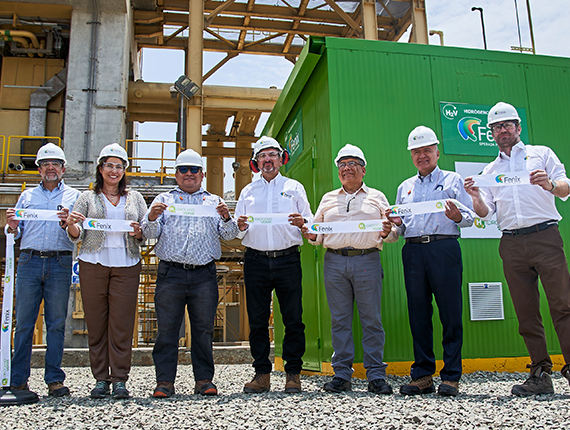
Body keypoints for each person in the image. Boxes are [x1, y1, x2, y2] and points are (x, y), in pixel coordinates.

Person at [464, 102, 570, 396]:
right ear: (492, 134)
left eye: (507, 124)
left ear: (518, 127)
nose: (502, 130)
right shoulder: (490, 170)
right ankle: (539, 373)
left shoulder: (542, 154)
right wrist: (474, 195)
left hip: (545, 236)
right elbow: (485, 213)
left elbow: (566, 186)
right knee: (526, 312)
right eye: (497, 127)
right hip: (511, 242)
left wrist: (550, 185)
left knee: (563, 304)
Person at [296, 144, 396, 395]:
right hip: (335, 262)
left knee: (371, 319)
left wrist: (388, 232)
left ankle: (375, 375)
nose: (347, 168)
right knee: (339, 320)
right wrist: (307, 231)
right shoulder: (328, 199)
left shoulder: (377, 197)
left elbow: (393, 232)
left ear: (363, 170)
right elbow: (315, 234)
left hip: (367, 260)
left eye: (352, 164)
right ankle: (341, 374)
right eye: (342, 165)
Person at [142, 149, 239, 398]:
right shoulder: (163, 200)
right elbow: (150, 234)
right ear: (175, 173)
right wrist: (151, 217)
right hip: (170, 273)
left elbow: (229, 235)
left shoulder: (214, 201)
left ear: (202, 174)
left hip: (203, 275)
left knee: (204, 329)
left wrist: (227, 218)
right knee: (166, 330)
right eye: (183, 169)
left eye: (194, 169)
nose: (189, 174)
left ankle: (204, 380)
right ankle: (164, 382)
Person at [389, 126, 474, 397]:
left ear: (437, 152)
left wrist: (457, 217)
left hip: (444, 247)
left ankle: (450, 376)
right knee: (418, 314)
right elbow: (400, 228)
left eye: (427, 150)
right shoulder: (405, 187)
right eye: (416, 152)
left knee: (450, 313)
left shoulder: (452, 180)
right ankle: (423, 375)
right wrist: (393, 225)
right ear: (411, 156)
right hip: (413, 251)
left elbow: (471, 217)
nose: (422, 156)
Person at [66, 143, 147, 399]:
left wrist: (139, 232)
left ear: (125, 170)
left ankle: (120, 379)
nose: (114, 171)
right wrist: (71, 225)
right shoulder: (86, 197)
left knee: (121, 325)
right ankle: (101, 379)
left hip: (126, 265)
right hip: (93, 264)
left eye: (119, 166)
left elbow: (145, 231)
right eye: (109, 165)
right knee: (97, 323)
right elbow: (77, 234)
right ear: (100, 169)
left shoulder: (135, 198)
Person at [235, 136, 312, 394]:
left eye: (272, 155)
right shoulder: (247, 192)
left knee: (293, 318)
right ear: (256, 162)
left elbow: (310, 223)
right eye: (262, 156)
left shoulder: (295, 187)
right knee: (257, 320)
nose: (268, 160)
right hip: (255, 259)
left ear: (281, 159)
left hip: (288, 259)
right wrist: (240, 227)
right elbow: (237, 228)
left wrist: (304, 222)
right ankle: (261, 374)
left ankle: (293, 374)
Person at [5, 143, 80, 397]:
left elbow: (77, 236)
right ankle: (18, 380)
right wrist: (13, 226)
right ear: (39, 169)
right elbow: (17, 234)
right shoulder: (27, 196)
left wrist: (68, 224)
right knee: (24, 323)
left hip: (60, 262)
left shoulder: (74, 196)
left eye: (55, 164)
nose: (51, 168)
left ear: (63, 168)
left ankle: (54, 380)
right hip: (30, 261)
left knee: (56, 323)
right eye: (46, 164)